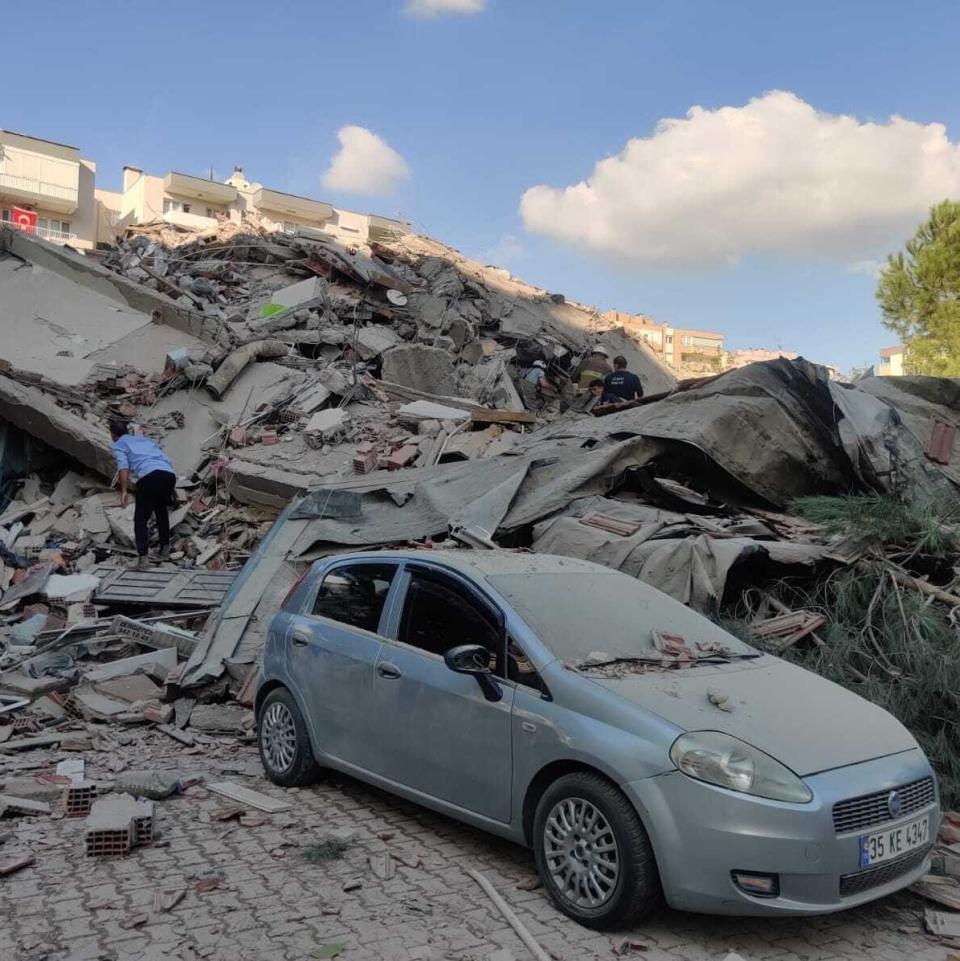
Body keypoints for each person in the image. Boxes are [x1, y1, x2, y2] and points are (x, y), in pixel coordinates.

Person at [109, 419, 177, 569]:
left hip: (149, 476)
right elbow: (165, 458)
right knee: (161, 511)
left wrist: (124, 490)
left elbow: (123, 467)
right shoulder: (145, 441)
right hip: (168, 474)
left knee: (140, 519)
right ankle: (165, 550)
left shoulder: (118, 444)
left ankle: (143, 560)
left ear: (113, 434)